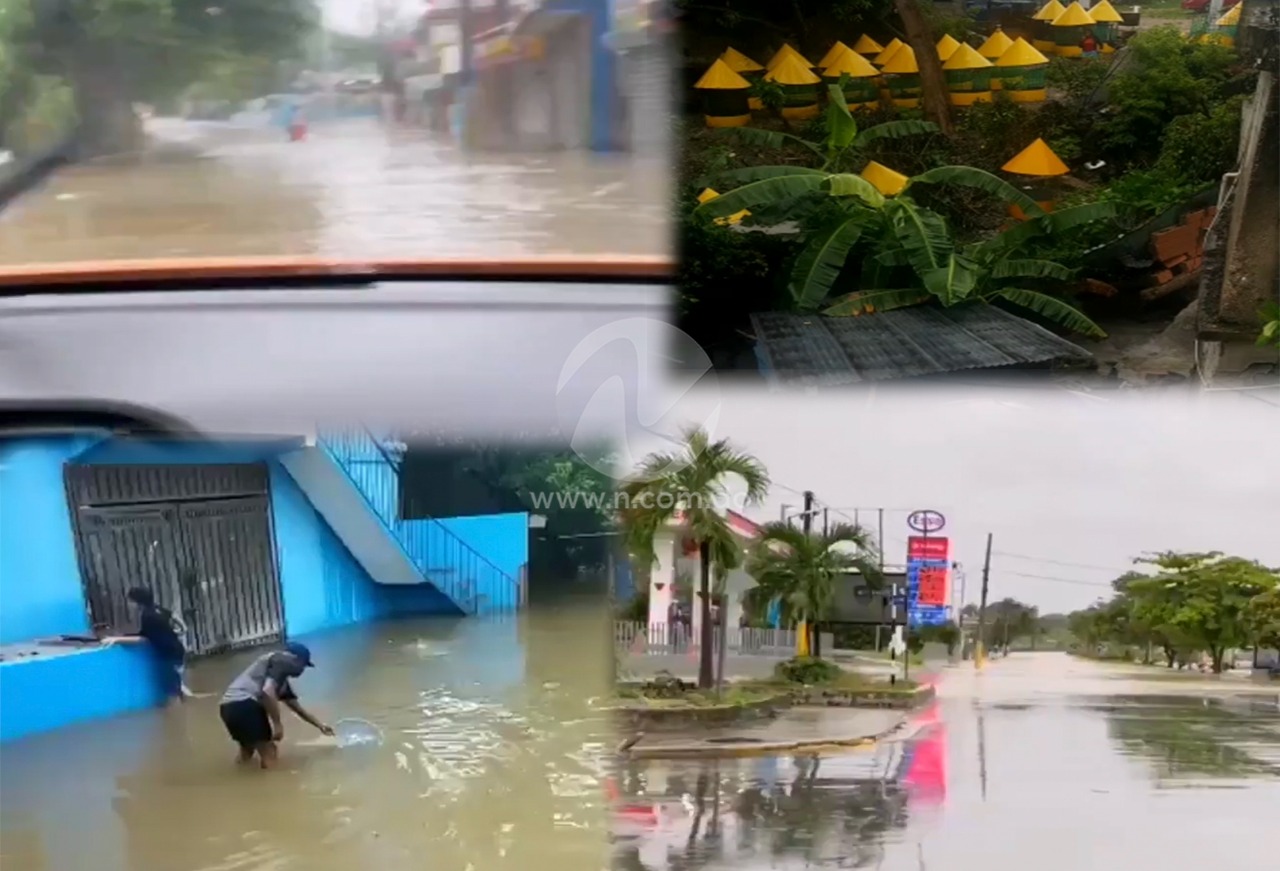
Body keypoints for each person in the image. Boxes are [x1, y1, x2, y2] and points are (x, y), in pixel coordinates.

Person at [218, 642, 333, 769]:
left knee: (247, 750)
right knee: (270, 752)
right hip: (244, 704)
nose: (302, 670)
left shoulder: (278, 677)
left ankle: (236, 780)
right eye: (303, 665)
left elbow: (298, 709)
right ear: (296, 659)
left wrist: (320, 725)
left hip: (228, 707)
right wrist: (277, 724)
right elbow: (267, 692)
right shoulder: (281, 660)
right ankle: (273, 786)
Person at [104, 586, 192, 705]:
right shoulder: (157, 609)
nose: (130, 605)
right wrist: (183, 629)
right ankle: (184, 704)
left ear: (137, 602)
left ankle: (178, 716)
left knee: (171, 693)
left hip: (168, 656)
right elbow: (174, 616)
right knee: (176, 686)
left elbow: (143, 639)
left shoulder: (147, 616)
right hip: (176, 651)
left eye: (131, 601)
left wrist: (117, 639)